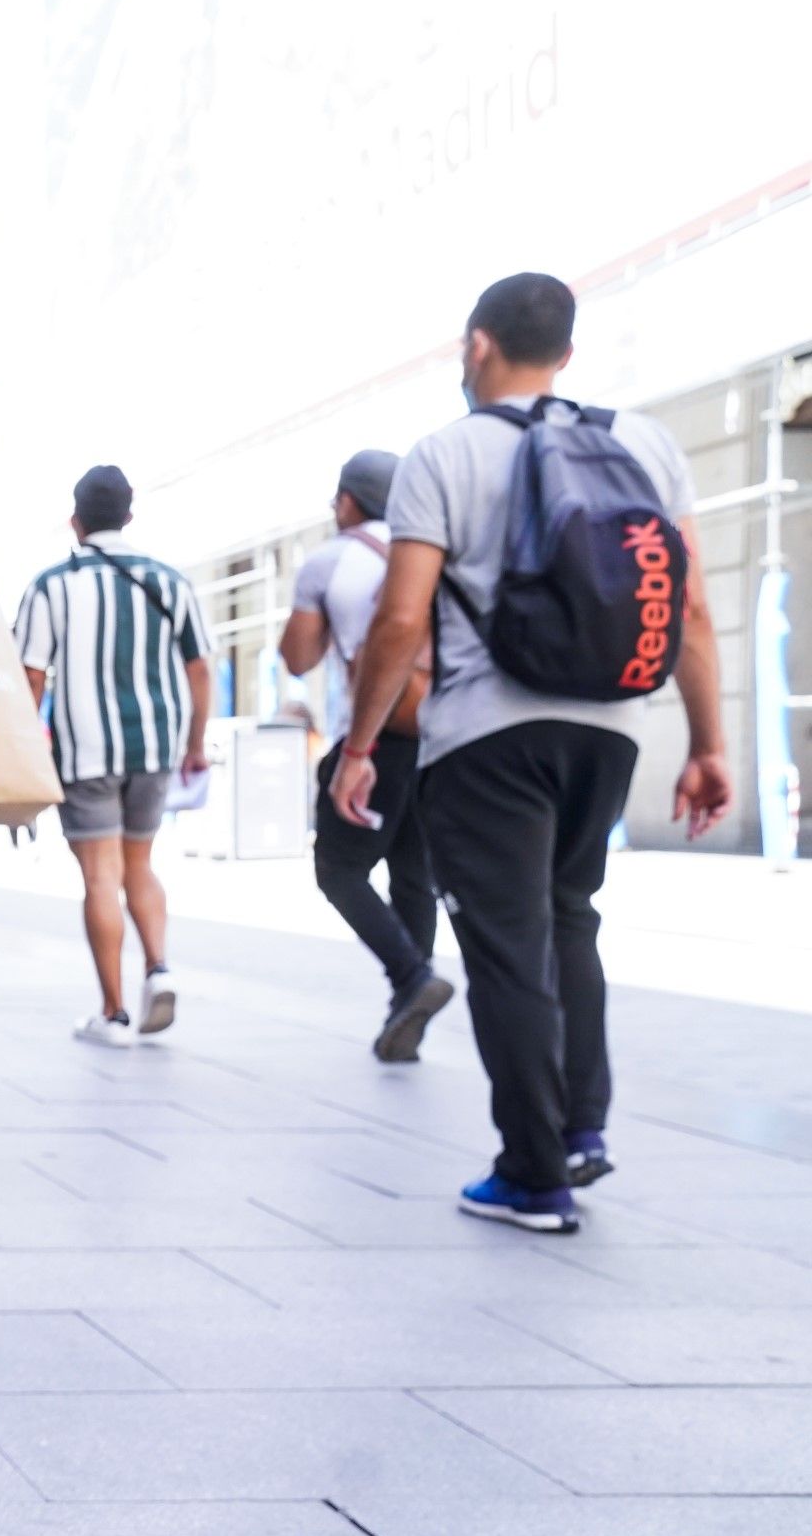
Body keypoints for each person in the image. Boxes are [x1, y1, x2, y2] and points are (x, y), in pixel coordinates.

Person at [333, 272, 731, 1234]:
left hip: (485, 737)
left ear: (478, 346)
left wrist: (359, 744)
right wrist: (709, 745)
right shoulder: (644, 442)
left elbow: (400, 616)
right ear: (567, 349)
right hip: (609, 728)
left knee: (507, 944)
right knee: (569, 919)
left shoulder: (445, 454)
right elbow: (691, 610)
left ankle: (533, 1172)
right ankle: (582, 1129)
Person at [14, 465, 214, 1048]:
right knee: (140, 866)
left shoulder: (51, 585)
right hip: (154, 747)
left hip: (85, 751)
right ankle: (159, 967)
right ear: (129, 517)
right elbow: (200, 668)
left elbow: (31, 675)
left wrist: (27, 748)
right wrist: (195, 744)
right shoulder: (170, 582)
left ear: (74, 521)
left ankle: (115, 1013)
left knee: (100, 877)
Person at [283, 449, 455, 1061]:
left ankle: (411, 978)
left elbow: (297, 658)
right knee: (415, 875)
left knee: (338, 869)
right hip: (442, 736)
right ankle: (404, 1013)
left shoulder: (331, 560)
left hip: (375, 734)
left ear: (350, 501)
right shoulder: (437, 547)